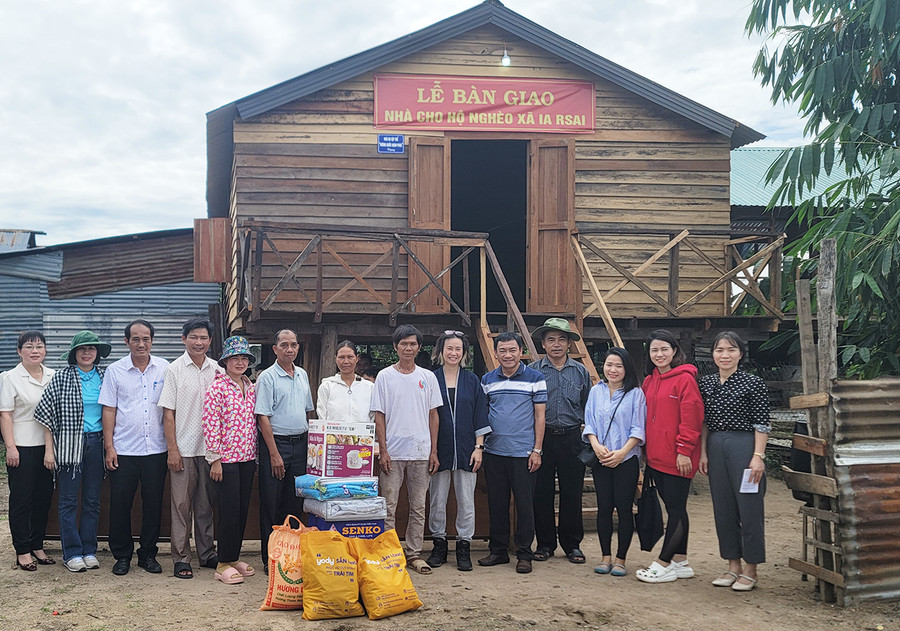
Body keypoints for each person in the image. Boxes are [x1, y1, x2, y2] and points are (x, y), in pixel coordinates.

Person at [34, 331, 111, 573]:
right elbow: (45, 414)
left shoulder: (105, 377)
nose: (87, 353)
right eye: (82, 349)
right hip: (69, 446)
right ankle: (72, 553)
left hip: (97, 444)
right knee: (68, 501)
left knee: (92, 501)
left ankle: (89, 550)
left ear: (97, 353)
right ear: (74, 353)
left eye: (91, 348)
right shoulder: (61, 378)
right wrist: (49, 450)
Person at [699, 331, 769, 592]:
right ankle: (733, 566)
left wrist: (758, 457)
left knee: (749, 508)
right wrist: (703, 453)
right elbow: (704, 422)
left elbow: (762, 423)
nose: (725, 355)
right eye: (719, 350)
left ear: (740, 353)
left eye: (731, 350)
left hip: (745, 446)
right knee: (723, 508)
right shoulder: (706, 384)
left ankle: (751, 569)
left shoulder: (753, 383)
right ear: (713, 354)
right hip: (716, 446)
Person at [99, 319, 170, 576]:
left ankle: (148, 554)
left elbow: (170, 409)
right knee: (120, 505)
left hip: (156, 449)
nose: (141, 344)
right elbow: (109, 409)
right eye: (136, 339)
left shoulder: (164, 368)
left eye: (146, 339)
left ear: (152, 341)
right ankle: (122, 555)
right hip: (124, 450)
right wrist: (109, 447)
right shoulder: (115, 371)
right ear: (126, 341)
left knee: (153, 505)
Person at [371, 324, 442, 575]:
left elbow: (434, 415)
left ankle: (414, 554)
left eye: (413, 344)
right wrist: (383, 450)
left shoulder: (427, 377)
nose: (408, 348)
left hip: (421, 452)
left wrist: (433, 451)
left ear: (419, 347)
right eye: (403, 343)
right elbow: (379, 415)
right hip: (393, 453)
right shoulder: (384, 377)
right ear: (395, 347)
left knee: (418, 506)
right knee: (388, 506)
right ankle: (389, 553)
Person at [635, 329, 704, 584]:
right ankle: (681, 561)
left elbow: (692, 418)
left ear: (674, 351)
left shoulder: (685, 380)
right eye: (654, 350)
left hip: (678, 458)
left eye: (664, 349)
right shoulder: (649, 381)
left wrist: (684, 451)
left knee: (675, 510)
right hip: (656, 457)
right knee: (675, 508)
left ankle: (663, 563)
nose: (659, 354)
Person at [157, 318, 222, 579]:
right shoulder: (174, 370)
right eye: (193, 337)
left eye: (204, 338)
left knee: (206, 506)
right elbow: (168, 413)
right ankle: (181, 558)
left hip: (210, 450)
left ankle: (207, 553)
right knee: (181, 506)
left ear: (210, 341)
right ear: (184, 339)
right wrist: (172, 449)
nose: (199, 342)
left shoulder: (218, 369)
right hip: (183, 449)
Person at [477, 332, 546, 575]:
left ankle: (524, 553)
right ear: (496, 353)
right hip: (494, 452)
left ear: (521, 351)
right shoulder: (487, 380)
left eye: (512, 350)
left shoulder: (535, 378)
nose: (508, 355)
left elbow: (540, 416)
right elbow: (482, 414)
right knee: (497, 504)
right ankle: (498, 551)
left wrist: (537, 450)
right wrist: (481, 447)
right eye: (503, 350)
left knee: (525, 506)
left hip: (524, 453)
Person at [425, 331, 489, 572]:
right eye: (449, 348)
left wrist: (478, 447)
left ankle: (464, 546)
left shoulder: (472, 381)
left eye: (458, 349)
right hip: (438, 450)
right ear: (441, 351)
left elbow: (480, 414)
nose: (453, 353)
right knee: (437, 500)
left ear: (464, 353)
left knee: (466, 501)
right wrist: (430, 449)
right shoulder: (431, 379)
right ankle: (439, 545)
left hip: (467, 449)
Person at [530, 318, 592, 564]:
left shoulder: (580, 372)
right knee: (541, 493)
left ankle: (572, 544)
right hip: (542, 439)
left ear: (569, 344)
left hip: (571, 437)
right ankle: (545, 544)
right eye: (551, 340)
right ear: (543, 344)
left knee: (572, 493)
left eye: (561, 340)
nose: (556, 344)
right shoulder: (533, 371)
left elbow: (588, 406)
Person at [583, 348, 645, 577]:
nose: (613, 370)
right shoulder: (596, 391)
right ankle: (605, 556)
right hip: (601, 458)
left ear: (626, 368)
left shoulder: (636, 394)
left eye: (619, 365)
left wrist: (622, 453)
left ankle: (621, 559)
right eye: (609, 364)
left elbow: (638, 428)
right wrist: (596, 446)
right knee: (604, 507)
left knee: (624, 508)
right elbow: (589, 422)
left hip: (626, 459)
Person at [254, 329, 314, 569]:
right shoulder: (267, 377)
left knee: (294, 502)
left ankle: (290, 557)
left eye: (294, 345)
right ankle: (270, 558)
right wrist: (274, 454)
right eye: (284, 345)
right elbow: (263, 417)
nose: (290, 349)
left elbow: (307, 412)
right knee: (271, 502)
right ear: (275, 349)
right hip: (276, 445)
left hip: (300, 444)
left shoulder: (302, 374)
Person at [203, 336, 258, 585]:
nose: (240, 362)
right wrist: (215, 459)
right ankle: (222, 562)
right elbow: (210, 424)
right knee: (228, 510)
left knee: (242, 509)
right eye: (235, 358)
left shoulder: (250, 386)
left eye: (244, 358)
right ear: (225, 361)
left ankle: (234, 557)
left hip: (247, 457)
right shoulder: (217, 387)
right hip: (225, 460)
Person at [0, 331, 55, 571]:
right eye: (29, 346)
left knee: (43, 498)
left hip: (48, 447)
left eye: (39, 346)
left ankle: (37, 544)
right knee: (21, 500)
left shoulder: (53, 375)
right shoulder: (10, 377)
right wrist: (10, 447)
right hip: (21, 447)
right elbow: (5, 414)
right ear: (19, 351)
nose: (35, 351)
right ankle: (22, 550)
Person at [316, 340, 375, 422]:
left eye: (350, 357)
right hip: (333, 431)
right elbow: (322, 416)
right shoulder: (327, 386)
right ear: (335, 359)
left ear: (356, 358)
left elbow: (373, 416)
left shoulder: (369, 387)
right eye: (341, 357)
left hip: (362, 431)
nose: (346, 361)